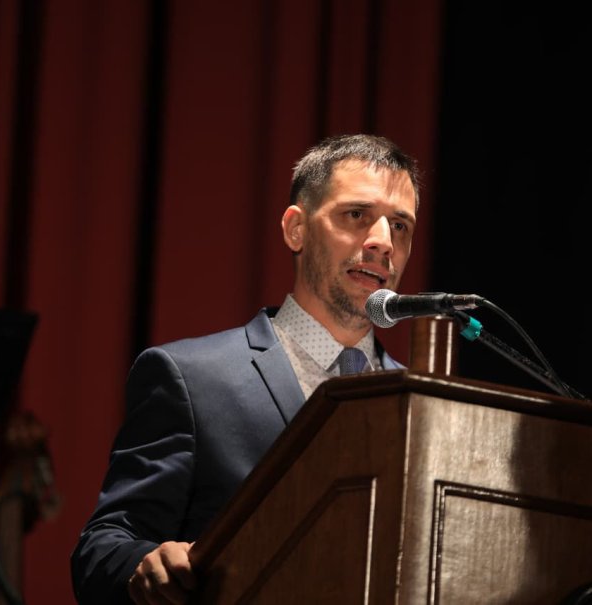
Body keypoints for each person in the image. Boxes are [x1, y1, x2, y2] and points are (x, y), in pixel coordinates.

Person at [71, 133, 422, 604]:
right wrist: (146, 563)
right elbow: (102, 549)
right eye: (356, 215)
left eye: (400, 226)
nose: (382, 242)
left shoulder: (420, 405)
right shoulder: (191, 378)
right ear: (296, 229)